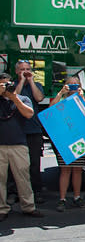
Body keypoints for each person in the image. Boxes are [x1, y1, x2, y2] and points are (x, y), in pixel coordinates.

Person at [0, 73, 44, 220]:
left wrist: (14, 98)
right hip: (1, 146)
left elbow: (29, 114)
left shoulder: (22, 99)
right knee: (0, 179)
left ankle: (28, 207)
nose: (6, 87)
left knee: (23, 178)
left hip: (19, 144)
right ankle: (2, 209)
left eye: (8, 84)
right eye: (3, 84)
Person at [51, 76, 85, 211]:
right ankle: (62, 199)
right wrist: (60, 93)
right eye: (70, 84)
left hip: (79, 139)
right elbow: (50, 110)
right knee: (64, 170)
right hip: (64, 138)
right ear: (65, 86)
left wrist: (81, 97)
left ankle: (77, 197)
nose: (73, 87)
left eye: (76, 84)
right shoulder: (62, 99)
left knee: (77, 170)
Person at [14, 60, 46, 201]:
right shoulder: (13, 85)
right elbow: (15, 97)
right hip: (17, 130)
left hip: (34, 130)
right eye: (22, 69)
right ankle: (15, 192)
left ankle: (36, 191)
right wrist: (21, 81)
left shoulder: (37, 85)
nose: (25, 71)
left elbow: (39, 98)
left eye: (27, 69)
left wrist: (31, 81)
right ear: (16, 72)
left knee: (34, 163)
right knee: (16, 166)